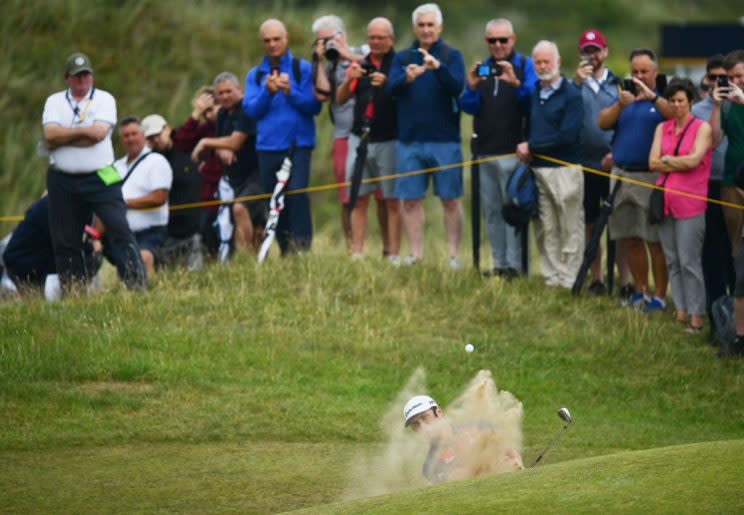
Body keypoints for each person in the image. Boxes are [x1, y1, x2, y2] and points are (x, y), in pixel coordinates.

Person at [42, 52, 146, 293]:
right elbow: (49, 136)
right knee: (66, 238)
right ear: (67, 78)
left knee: (118, 226)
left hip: (100, 176)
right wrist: (83, 132)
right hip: (62, 178)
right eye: (77, 76)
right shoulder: (55, 101)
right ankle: (73, 290)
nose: (82, 80)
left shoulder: (104, 99)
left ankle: (136, 283)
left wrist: (64, 135)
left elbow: (99, 135)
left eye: (86, 75)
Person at [387, 3, 465, 268]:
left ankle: (453, 256)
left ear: (440, 27)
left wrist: (438, 67)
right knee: (410, 200)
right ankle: (416, 255)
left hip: (445, 140)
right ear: (414, 28)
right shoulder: (402, 57)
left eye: (431, 25)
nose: (426, 30)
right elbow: (390, 90)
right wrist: (406, 79)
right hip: (410, 141)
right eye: (421, 25)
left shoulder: (451, 55)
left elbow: (457, 87)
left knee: (450, 200)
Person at [460, 18, 537, 279]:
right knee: (491, 211)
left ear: (512, 40)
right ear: (486, 42)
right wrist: (470, 86)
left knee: (512, 211)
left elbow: (534, 102)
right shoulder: (483, 69)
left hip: (514, 152)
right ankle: (499, 263)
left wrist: (515, 83)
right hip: (485, 151)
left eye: (503, 40)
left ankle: (516, 266)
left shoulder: (525, 66)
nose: (498, 45)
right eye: (492, 40)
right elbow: (469, 107)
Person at [598, 48, 673, 310]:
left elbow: (675, 116)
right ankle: (640, 292)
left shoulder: (663, 99)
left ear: (655, 73)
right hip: (621, 175)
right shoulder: (625, 100)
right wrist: (620, 103)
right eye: (635, 71)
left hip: (650, 176)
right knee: (630, 236)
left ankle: (660, 296)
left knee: (654, 239)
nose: (639, 76)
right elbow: (602, 122)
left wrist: (652, 97)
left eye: (645, 71)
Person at [243, 19, 321, 254]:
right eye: (267, 40)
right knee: (275, 201)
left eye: (277, 39)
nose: (272, 44)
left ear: (285, 39)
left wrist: (290, 92)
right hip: (267, 147)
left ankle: (302, 248)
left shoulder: (302, 68)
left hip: (298, 145)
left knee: (297, 194)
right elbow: (250, 111)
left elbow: (314, 106)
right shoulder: (255, 75)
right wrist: (267, 92)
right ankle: (286, 248)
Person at [516, 41, 584, 290]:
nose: (543, 66)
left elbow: (567, 136)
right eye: (538, 62)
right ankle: (552, 276)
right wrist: (530, 147)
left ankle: (570, 278)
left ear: (557, 62)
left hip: (566, 169)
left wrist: (531, 146)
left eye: (547, 61)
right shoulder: (535, 93)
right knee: (546, 226)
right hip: (539, 169)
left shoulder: (571, 94)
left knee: (569, 224)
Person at [649, 79, 712, 333]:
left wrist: (668, 160)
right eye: (672, 101)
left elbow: (695, 161)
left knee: (689, 261)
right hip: (665, 202)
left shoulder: (702, 128)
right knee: (672, 259)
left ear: (691, 102)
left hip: (691, 203)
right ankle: (681, 310)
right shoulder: (662, 128)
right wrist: (676, 161)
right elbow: (652, 163)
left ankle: (697, 314)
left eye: (681, 101)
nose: (676, 105)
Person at [336, 17, 401, 262]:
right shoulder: (360, 64)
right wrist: (349, 79)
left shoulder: (398, 64)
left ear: (390, 39)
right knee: (358, 196)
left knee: (392, 199)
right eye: (371, 37)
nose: (374, 42)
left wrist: (388, 84)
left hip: (389, 138)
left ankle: (393, 254)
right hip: (359, 137)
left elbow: (405, 97)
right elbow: (340, 99)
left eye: (380, 37)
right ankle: (358, 252)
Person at [311, 15, 366, 252]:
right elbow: (322, 94)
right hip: (342, 136)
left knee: (381, 195)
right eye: (320, 40)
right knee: (347, 196)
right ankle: (351, 246)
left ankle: (387, 250)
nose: (326, 44)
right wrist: (318, 61)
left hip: (369, 133)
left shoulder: (362, 50)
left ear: (341, 36)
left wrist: (345, 55)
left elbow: (373, 65)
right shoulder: (328, 65)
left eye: (329, 39)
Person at [193, 72, 263, 253]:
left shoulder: (246, 109)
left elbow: (235, 142)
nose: (225, 96)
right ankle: (256, 265)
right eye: (221, 93)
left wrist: (205, 143)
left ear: (238, 89)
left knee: (240, 209)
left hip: (257, 172)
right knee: (250, 222)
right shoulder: (223, 113)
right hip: (235, 177)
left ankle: (245, 261)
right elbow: (223, 141)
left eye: (228, 91)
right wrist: (220, 148)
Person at [574, 29, 620, 295]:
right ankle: (597, 278)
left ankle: (623, 280)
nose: (591, 56)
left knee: (618, 225)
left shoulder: (618, 83)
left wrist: (617, 152)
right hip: (586, 163)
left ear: (605, 52)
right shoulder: (575, 86)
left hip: (613, 162)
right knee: (590, 223)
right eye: (586, 51)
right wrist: (576, 85)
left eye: (595, 50)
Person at [692, 56, 734, 326]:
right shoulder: (697, 110)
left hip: (735, 185)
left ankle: (736, 311)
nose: (719, 81)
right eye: (713, 77)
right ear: (706, 79)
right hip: (707, 186)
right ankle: (716, 312)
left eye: (724, 77)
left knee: (735, 251)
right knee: (711, 251)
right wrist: (717, 105)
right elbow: (713, 142)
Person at [403, 395, 523, 484]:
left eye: (425, 418)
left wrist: (519, 466)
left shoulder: (479, 426)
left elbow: (510, 452)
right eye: (416, 425)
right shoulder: (430, 465)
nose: (423, 427)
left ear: (438, 412)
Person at [710, 49, 744, 357]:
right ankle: (738, 321)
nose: (734, 82)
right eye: (730, 77)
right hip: (732, 183)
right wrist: (718, 105)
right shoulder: (728, 105)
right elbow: (714, 140)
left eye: (739, 77)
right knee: (737, 249)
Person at [142, 114, 204, 270]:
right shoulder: (150, 162)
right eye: (151, 138)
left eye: (158, 134)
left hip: (196, 228)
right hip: (167, 233)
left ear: (168, 129)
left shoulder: (186, 147)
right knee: (170, 279)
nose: (157, 140)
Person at [113, 116, 173, 276]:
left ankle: (149, 297)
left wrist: (123, 203)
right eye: (126, 135)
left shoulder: (157, 161)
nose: (130, 138)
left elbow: (159, 198)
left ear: (143, 135)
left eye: (134, 133)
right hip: (122, 231)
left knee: (143, 258)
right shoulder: (115, 166)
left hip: (151, 231)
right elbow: (103, 193)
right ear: (121, 140)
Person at [172, 86, 223, 255]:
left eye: (210, 110)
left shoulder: (235, 123)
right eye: (204, 113)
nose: (207, 116)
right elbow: (180, 143)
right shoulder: (204, 129)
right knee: (207, 237)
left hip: (231, 189)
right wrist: (195, 114)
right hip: (208, 196)